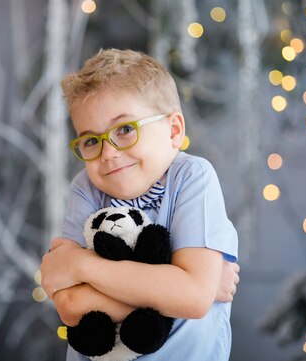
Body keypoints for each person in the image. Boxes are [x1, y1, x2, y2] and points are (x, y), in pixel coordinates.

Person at [40, 48, 239, 361]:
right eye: (91, 140)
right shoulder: (86, 187)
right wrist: (178, 292)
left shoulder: (191, 177)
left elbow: (193, 297)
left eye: (124, 130)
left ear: (173, 131)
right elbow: (71, 304)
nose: (107, 153)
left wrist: (82, 266)